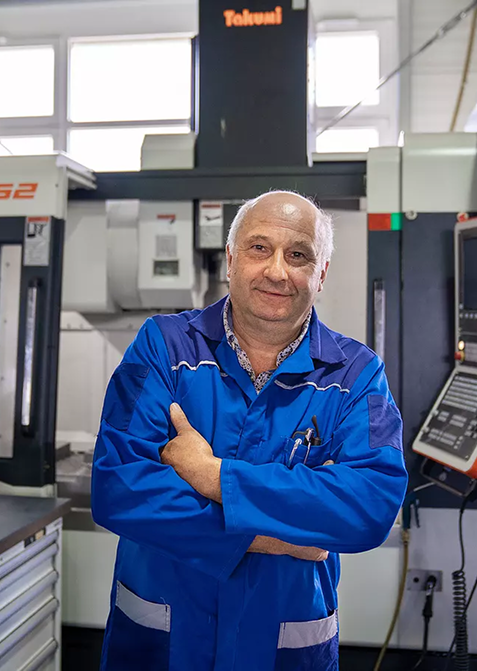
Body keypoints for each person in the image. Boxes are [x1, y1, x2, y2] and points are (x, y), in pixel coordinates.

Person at [91, 191, 408, 670]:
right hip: (164, 643)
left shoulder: (356, 375)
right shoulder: (163, 347)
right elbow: (119, 488)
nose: (277, 271)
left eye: (298, 255)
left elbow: (370, 507)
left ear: (320, 275)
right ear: (232, 260)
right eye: (260, 248)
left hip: (284, 646)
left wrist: (213, 475)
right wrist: (277, 536)